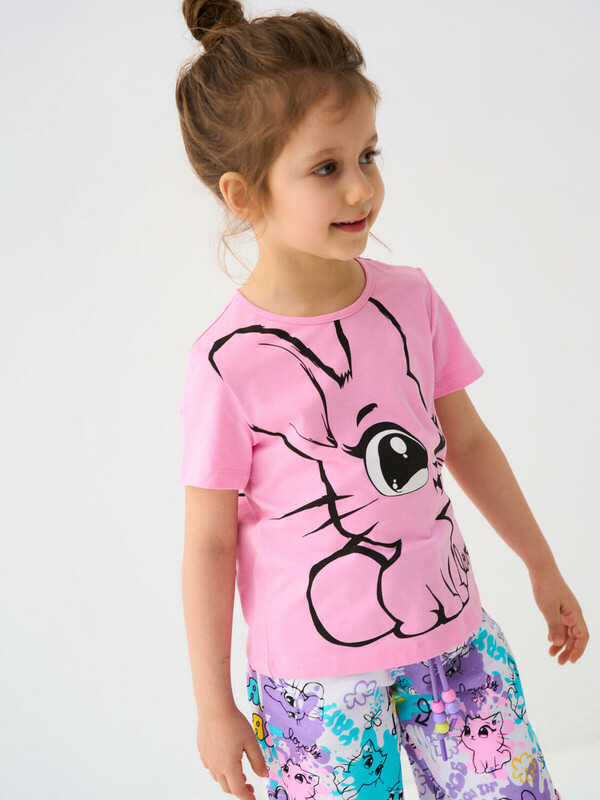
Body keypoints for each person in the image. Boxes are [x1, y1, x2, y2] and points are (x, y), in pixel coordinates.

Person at [175, 3, 589, 800]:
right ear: (244, 194)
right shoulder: (228, 363)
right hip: (315, 690)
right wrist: (212, 705)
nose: (361, 186)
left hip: (456, 650)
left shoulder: (410, 299)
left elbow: (468, 442)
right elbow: (208, 543)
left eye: (368, 154)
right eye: (325, 167)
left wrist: (541, 565)